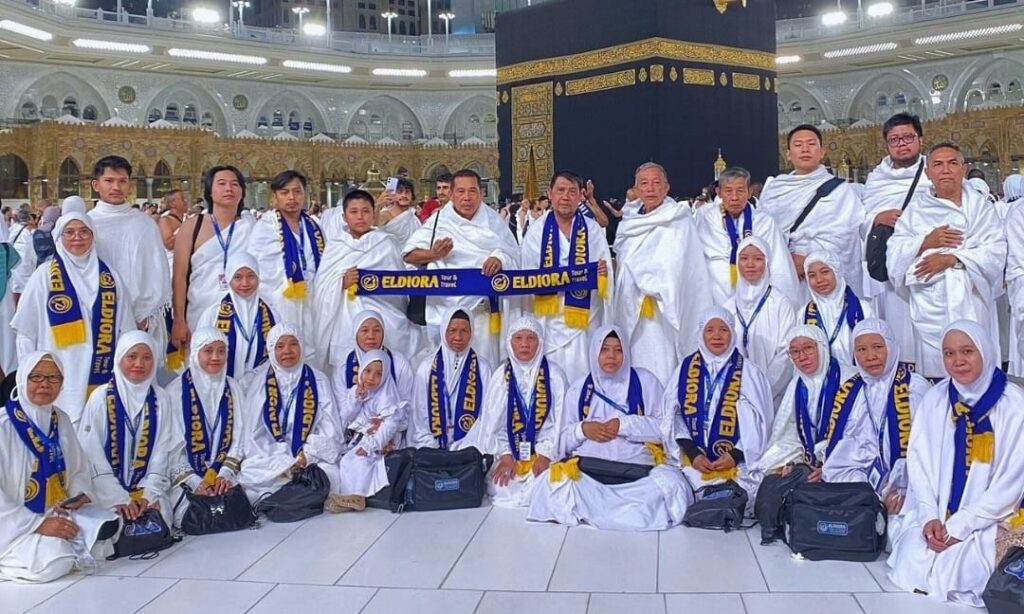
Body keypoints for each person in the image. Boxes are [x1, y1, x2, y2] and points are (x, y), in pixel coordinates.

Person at [888, 320, 1024, 607]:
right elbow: (919, 463)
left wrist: (960, 526)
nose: (958, 361)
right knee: (913, 557)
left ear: (984, 351)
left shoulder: (1013, 405)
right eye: (949, 353)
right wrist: (929, 516)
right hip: (938, 512)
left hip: (990, 517)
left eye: (967, 351)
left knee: (965, 570)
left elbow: (1011, 484)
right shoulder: (936, 398)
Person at [527, 325, 692, 531]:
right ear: (594, 352)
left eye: (618, 350)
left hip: (637, 471)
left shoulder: (646, 382)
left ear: (626, 353)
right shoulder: (579, 388)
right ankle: (622, 513)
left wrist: (624, 425)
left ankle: (596, 512)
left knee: (673, 486)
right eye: (604, 349)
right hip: (588, 472)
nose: (611, 356)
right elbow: (562, 440)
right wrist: (583, 430)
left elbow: (664, 430)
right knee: (547, 484)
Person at [886, 143, 1007, 379]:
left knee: (975, 362)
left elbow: (996, 250)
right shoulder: (915, 210)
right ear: (928, 172)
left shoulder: (981, 208)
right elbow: (894, 254)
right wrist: (924, 242)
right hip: (930, 302)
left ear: (964, 168)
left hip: (971, 297)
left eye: (952, 163)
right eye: (938, 165)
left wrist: (953, 259)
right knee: (936, 369)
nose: (945, 170)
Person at [0, 352, 118, 583]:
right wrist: (37, 524)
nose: (45, 384)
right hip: (15, 522)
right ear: (22, 380)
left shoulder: (60, 419)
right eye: (36, 377)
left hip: (55, 509)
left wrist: (78, 495)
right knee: (56, 561)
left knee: (106, 533)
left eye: (54, 377)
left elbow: (78, 469)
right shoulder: (4, 425)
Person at [11, 213, 135, 423]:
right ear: (59, 237)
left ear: (93, 236)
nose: (77, 237)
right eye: (69, 232)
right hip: (55, 374)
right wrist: (29, 372)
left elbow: (126, 331)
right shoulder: (44, 276)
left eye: (84, 231)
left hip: (100, 372)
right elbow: (25, 331)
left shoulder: (111, 278)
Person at [403, 169, 519, 365]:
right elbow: (408, 255)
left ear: (481, 193)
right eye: (461, 191)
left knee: (482, 364)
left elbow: (514, 254)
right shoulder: (439, 221)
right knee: (445, 366)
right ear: (451, 194)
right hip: (445, 309)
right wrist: (434, 254)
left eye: (472, 191)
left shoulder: (494, 221)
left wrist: (500, 258)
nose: (467, 197)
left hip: (483, 309)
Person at [613, 162, 712, 383]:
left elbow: (681, 267)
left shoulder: (679, 221)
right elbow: (623, 266)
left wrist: (647, 281)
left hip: (666, 313)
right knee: (636, 370)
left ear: (667, 188)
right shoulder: (629, 223)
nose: (650, 188)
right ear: (636, 189)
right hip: (633, 313)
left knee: (665, 369)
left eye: (656, 183)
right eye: (644, 183)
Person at [821, 319, 931, 516]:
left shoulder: (915, 388)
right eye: (861, 350)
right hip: (860, 479)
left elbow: (926, 451)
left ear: (890, 347)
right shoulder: (850, 390)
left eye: (877, 347)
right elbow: (842, 449)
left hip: (907, 483)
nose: (870, 356)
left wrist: (897, 488)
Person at [665, 308, 773, 499]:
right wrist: (693, 453)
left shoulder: (749, 372)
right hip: (691, 462)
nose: (717, 336)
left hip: (737, 467)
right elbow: (674, 415)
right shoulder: (685, 368)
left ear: (732, 334)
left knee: (731, 499)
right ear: (701, 334)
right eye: (710, 330)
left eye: (723, 330)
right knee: (669, 490)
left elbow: (760, 422)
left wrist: (736, 454)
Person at [460, 316, 568, 507]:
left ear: (540, 342)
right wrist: (505, 455)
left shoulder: (554, 375)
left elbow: (561, 423)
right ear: (510, 343)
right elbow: (493, 426)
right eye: (518, 338)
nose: (524, 344)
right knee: (500, 486)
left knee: (553, 481)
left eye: (531, 338)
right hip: (509, 451)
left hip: (545, 451)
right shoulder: (501, 376)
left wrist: (545, 454)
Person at [76, 331, 177, 528]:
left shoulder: (161, 398)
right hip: (106, 490)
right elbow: (91, 453)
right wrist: (117, 496)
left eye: (147, 357)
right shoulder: (100, 397)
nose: (139, 363)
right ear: (119, 358)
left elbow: (163, 450)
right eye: (132, 356)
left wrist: (149, 493)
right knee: (110, 523)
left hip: (146, 488)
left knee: (159, 516)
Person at [520, 171, 612, 383]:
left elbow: (605, 267)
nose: (566, 197)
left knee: (584, 370)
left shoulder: (592, 229)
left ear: (580, 196)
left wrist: (603, 275)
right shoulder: (536, 232)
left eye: (572, 192)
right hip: (548, 316)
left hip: (584, 313)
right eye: (560, 190)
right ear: (549, 194)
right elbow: (528, 274)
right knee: (551, 378)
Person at [313, 190, 421, 370]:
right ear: (344, 217)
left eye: (365, 211)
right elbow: (321, 288)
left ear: (373, 214)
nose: (360, 217)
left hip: (383, 313)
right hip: (344, 317)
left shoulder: (386, 243)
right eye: (354, 212)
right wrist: (341, 282)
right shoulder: (335, 246)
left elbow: (399, 287)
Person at [237, 323, 342, 500]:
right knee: (251, 472)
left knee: (331, 473)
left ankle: (285, 494)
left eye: (293, 344)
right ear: (271, 351)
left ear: (301, 346)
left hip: (309, 454)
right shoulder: (260, 383)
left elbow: (330, 427)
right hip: (272, 455)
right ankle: (297, 493)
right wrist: (283, 459)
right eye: (280, 346)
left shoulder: (318, 380)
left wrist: (307, 455)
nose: (287, 351)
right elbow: (253, 435)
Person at [758, 124, 865, 295]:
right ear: (788, 154)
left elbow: (846, 236)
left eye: (811, 144)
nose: (805, 149)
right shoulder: (774, 189)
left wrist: (807, 257)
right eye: (798, 145)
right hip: (781, 272)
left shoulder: (841, 191)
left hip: (822, 274)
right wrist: (784, 258)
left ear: (822, 152)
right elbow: (763, 231)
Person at [862, 113, 932, 362]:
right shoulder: (877, 179)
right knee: (897, 330)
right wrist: (877, 218)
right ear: (887, 144)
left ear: (920, 139)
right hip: (891, 268)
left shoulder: (933, 173)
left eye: (907, 137)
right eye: (894, 139)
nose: (901, 144)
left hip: (927, 264)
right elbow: (860, 220)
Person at [166, 328, 246, 527]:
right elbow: (172, 447)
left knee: (246, 496)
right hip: (187, 474)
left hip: (225, 470)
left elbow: (239, 436)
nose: (215, 357)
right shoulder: (175, 391)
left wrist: (225, 474)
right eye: (208, 351)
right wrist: (195, 481)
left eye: (221, 351)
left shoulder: (233, 387)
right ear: (195, 353)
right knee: (177, 512)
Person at [87, 157, 171, 345]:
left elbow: (157, 270)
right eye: (109, 181)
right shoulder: (87, 224)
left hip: (140, 318)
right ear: (96, 185)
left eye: (122, 181)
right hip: (96, 314)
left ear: (130, 185)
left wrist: (146, 313)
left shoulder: (144, 224)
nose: (116, 187)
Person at [171, 165, 254, 351]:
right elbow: (179, 276)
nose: (229, 189)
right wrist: (179, 319)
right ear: (209, 191)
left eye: (235, 184)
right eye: (222, 183)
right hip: (200, 310)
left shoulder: (251, 228)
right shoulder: (193, 226)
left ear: (242, 192)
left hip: (242, 310)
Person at [759, 325, 858, 478]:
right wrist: (793, 462)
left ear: (821, 347)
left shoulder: (849, 379)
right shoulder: (797, 383)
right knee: (768, 464)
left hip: (844, 452)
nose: (802, 357)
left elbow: (857, 433)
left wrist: (827, 464)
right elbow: (788, 431)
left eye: (808, 348)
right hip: (810, 453)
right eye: (795, 352)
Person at [695, 167, 800, 307]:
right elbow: (696, 262)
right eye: (728, 191)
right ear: (719, 192)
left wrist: (782, 304)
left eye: (740, 191)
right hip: (716, 295)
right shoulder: (705, 220)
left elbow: (779, 264)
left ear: (749, 192)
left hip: (759, 296)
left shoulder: (764, 222)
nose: (734, 197)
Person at [247, 171, 324, 342]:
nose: (292, 197)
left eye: (297, 191)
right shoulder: (265, 227)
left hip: (314, 301)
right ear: (275, 196)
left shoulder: (314, 226)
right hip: (281, 303)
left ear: (305, 194)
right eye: (285, 192)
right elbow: (262, 272)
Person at [724, 237, 798, 402]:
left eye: (758, 259)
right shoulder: (728, 307)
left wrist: (763, 389)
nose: (750, 264)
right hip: (734, 395)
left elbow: (786, 353)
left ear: (767, 262)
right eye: (744, 258)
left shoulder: (780, 304)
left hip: (772, 394)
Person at [332, 350, 408, 509]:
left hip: (382, 441)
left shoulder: (386, 397)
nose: (371, 377)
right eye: (367, 371)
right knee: (345, 461)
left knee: (360, 460)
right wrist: (356, 399)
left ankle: (359, 497)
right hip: (362, 438)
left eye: (378, 374)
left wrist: (370, 446)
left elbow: (389, 427)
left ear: (385, 376)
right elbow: (346, 417)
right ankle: (348, 497)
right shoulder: (357, 391)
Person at [408, 308, 493, 449]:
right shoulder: (427, 367)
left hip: (470, 446)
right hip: (430, 446)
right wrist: (432, 447)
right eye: (452, 330)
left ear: (471, 333)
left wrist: (464, 445)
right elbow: (419, 414)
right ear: (443, 331)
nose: (458, 337)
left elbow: (486, 414)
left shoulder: (483, 368)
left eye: (464, 331)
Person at [197, 253, 279, 384]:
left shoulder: (271, 315)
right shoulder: (213, 314)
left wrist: (253, 379)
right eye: (237, 277)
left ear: (258, 277)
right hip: (219, 386)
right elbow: (199, 354)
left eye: (251, 276)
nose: (245, 283)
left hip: (260, 386)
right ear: (229, 278)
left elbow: (277, 353)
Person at [329, 309, 415, 409]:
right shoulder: (343, 366)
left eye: (377, 330)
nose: (371, 336)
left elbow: (407, 404)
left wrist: (387, 417)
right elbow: (340, 410)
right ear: (355, 333)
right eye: (364, 330)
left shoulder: (399, 363)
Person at [801, 251, 872, 367]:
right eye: (812, 275)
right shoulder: (804, 313)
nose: (819, 280)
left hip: (858, 375)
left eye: (825, 272)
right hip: (821, 377)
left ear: (837, 272)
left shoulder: (863, 308)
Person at [377, 177, 421, 248]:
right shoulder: (386, 215)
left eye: (407, 192)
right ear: (391, 195)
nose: (404, 195)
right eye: (400, 192)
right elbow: (374, 222)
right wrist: (378, 205)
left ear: (412, 196)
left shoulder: (412, 215)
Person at [157, 189, 187, 280]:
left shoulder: (188, 219)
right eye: (182, 198)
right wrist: (188, 230)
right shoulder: (165, 220)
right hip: (171, 268)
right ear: (173, 203)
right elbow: (169, 244)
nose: (185, 201)